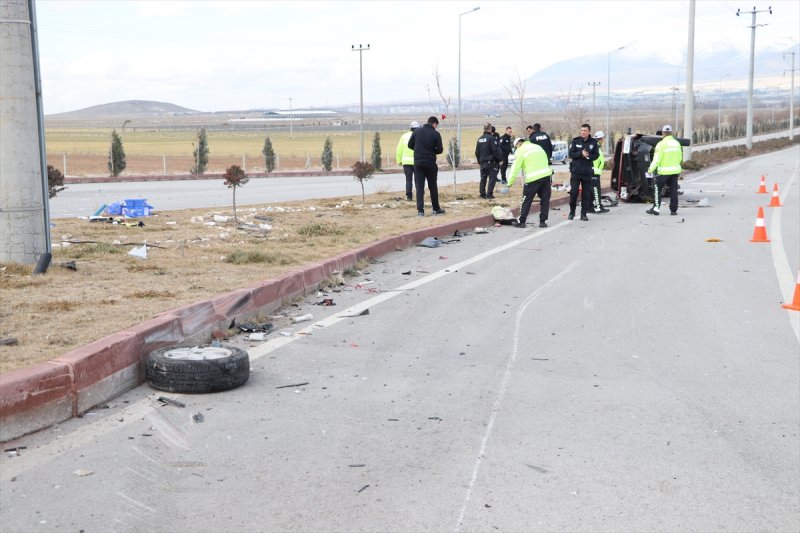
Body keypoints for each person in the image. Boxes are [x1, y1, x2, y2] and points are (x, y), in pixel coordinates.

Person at [506, 137, 553, 228]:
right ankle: (542, 222)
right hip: (546, 176)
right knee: (545, 200)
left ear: (518, 144)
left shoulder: (520, 150)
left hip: (532, 179)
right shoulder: (538, 147)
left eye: (516, 147)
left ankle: (522, 221)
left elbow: (515, 167)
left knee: (526, 200)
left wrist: (509, 182)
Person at [408, 116, 445, 217]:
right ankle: (436, 209)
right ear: (434, 124)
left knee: (419, 187)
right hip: (430, 162)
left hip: (418, 163)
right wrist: (432, 150)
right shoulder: (436, 134)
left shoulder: (416, 132)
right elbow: (440, 150)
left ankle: (420, 211)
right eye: (436, 125)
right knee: (432, 186)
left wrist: (418, 149)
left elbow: (409, 145)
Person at [646, 125, 683, 216]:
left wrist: (650, 170)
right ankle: (673, 210)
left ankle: (656, 209)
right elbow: (680, 158)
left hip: (663, 172)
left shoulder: (661, 144)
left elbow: (657, 159)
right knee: (673, 190)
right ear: (671, 133)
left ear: (663, 133)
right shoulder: (677, 143)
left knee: (657, 189)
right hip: (674, 171)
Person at [567, 123, 600, 221]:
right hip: (576, 171)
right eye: (581, 130)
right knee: (574, 193)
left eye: (585, 130)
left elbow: (596, 155)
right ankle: (572, 212)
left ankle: (583, 213)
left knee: (586, 194)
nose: (583, 132)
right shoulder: (575, 140)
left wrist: (588, 156)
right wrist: (581, 154)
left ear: (589, 132)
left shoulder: (593, 142)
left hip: (587, 172)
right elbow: (571, 154)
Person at [475, 123, 502, 199]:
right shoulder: (491, 138)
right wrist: (500, 159)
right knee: (492, 178)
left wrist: (479, 161)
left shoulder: (479, 139)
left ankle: (482, 193)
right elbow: (495, 150)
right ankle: (489, 194)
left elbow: (477, 152)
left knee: (483, 178)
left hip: (483, 162)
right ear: (490, 129)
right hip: (491, 162)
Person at [396, 121, 419, 201]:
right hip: (417, 162)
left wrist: (399, 160)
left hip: (406, 162)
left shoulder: (404, 136)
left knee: (408, 180)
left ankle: (409, 197)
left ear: (410, 128)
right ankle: (419, 196)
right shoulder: (419, 136)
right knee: (418, 180)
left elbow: (399, 149)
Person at [591, 130, 609, 213]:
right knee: (596, 190)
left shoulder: (596, 146)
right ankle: (598, 207)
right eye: (602, 139)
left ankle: (595, 206)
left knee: (595, 190)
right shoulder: (595, 147)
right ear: (601, 139)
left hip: (595, 171)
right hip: (594, 172)